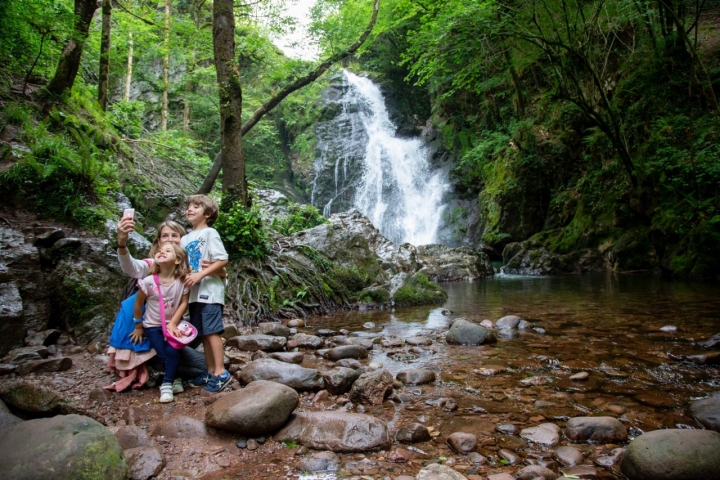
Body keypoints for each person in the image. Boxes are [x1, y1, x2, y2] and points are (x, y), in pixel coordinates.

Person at [181, 195, 231, 393]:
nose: (190, 209)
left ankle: (221, 372)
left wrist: (201, 274)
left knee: (212, 331)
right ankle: (211, 371)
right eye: (189, 206)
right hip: (193, 293)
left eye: (196, 207)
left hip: (209, 290)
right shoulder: (185, 238)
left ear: (208, 214)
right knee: (202, 332)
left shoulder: (210, 233)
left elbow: (222, 260)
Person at [130, 242, 190, 403]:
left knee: (173, 352)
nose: (161, 251)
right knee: (164, 354)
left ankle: (166, 384)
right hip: (152, 326)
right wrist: (138, 326)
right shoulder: (148, 281)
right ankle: (175, 378)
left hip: (174, 325)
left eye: (167, 251)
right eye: (160, 250)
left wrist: (173, 323)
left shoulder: (182, 281)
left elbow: (184, 303)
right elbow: (138, 304)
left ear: (177, 260)